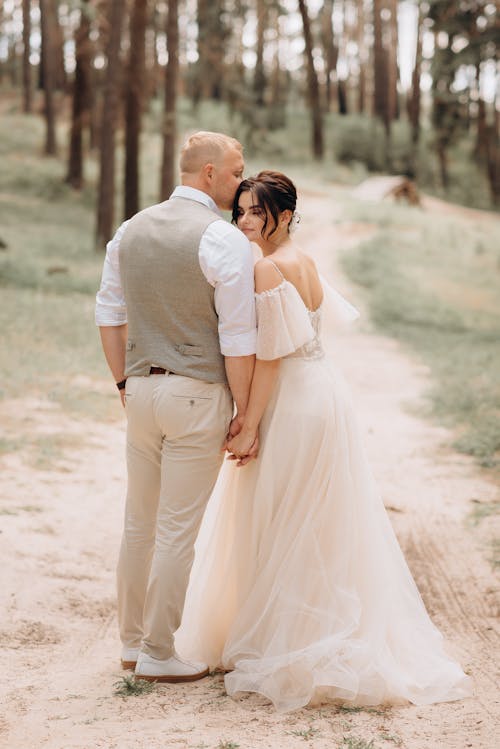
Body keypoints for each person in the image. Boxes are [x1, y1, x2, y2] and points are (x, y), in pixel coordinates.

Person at [175, 171, 472, 711]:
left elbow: (269, 357)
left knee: (282, 514)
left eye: (254, 212)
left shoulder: (267, 267)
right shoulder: (304, 260)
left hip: (293, 401)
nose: (243, 221)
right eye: (238, 211)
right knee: (312, 517)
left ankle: (288, 639)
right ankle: (306, 625)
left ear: (284, 216)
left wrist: (248, 424)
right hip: (325, 393)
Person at [95, 131, 257, 682]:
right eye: (236, 172)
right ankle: (159, 653)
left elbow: (108, 313)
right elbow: (238, 337)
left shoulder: (129, 229)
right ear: (208, 174)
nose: (241, 182)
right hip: (197, 393)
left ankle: (130, 644)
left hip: (140, 390)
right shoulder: (220, 237)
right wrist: (243, 409)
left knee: (138, 524)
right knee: (176, 532)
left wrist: (123, 384)